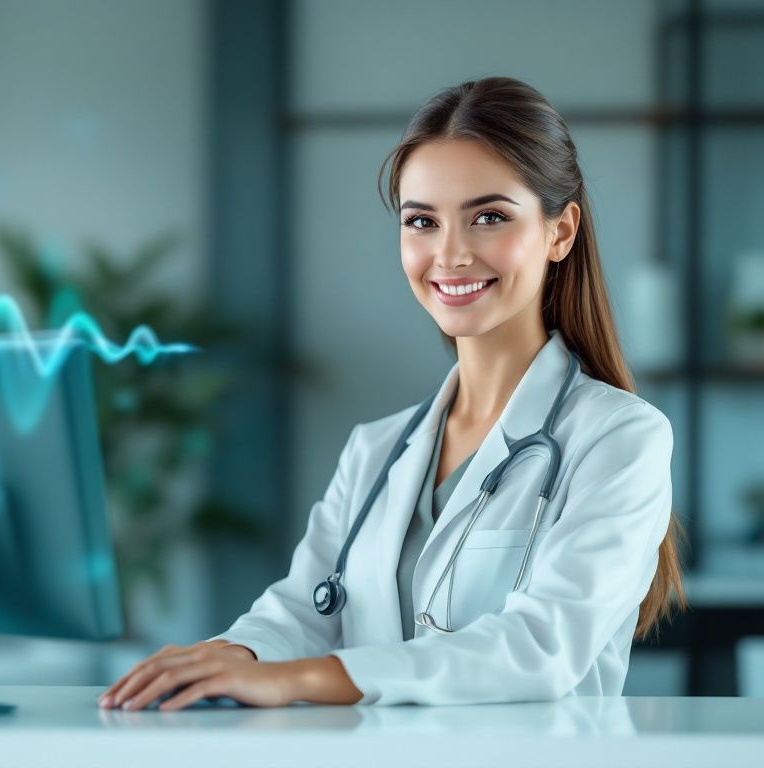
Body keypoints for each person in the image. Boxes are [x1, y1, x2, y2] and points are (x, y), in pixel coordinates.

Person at [98, 76, 688, 711]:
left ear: (560, 232)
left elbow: (542, 646)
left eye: (489, 217)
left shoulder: (621, 438)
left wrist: (296, 680)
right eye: (422, 222)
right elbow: (304, 612)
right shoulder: (377, 449)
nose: (451, 254)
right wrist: (227, 659)